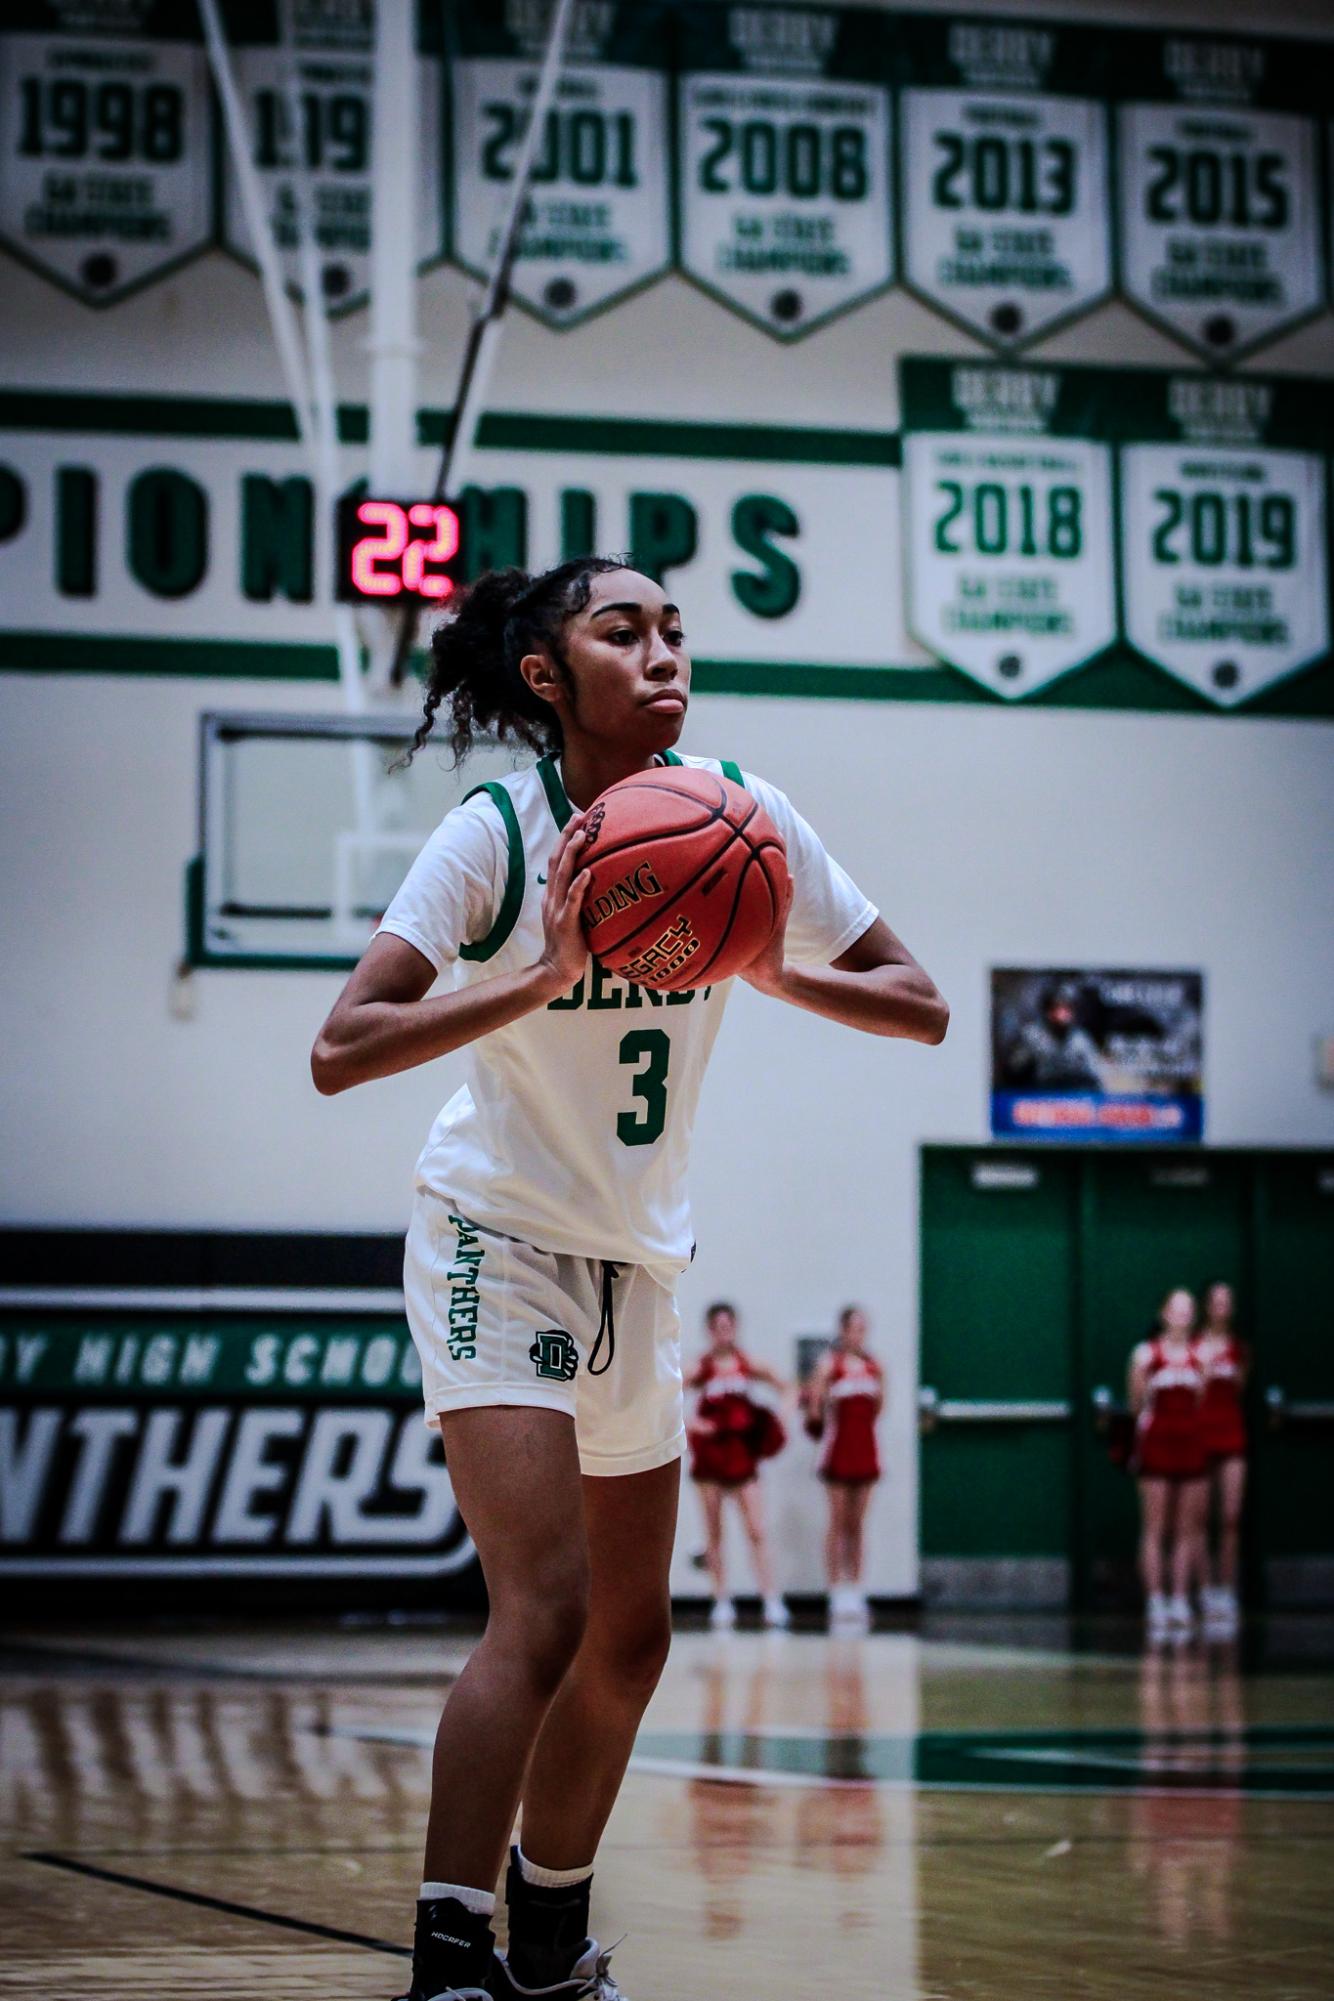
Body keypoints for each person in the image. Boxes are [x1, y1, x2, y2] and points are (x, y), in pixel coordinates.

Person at [310, 555, 948, 2001]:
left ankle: (547, 1930)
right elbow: (342, 1044)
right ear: (547, 673)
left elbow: (919, 1005)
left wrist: (779, 969)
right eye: (623, 630)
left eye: (674, 630)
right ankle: (447, 1951)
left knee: (634, 1631)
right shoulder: (494, 831)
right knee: (537, 1606)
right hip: (495, 1236)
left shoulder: (744, 817)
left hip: (640, 1258)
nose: (663, 652)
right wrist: (538, 974)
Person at [685, 1300, 790, 1629]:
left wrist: (778, 1421)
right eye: (718, 1327)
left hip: (743, 1457)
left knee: (757, 1529)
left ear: (735, 1328)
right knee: (714, 1532)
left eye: (728, 1326)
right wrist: (693, 1425)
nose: (723, 1332)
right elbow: (666, 1396)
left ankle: (770, 1598)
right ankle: (721, 1600)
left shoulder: (748, 1364)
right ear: (709, 1331)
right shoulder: (700, 1368)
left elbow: (787, 1387)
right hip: (711, 1458)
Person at [1128, 1288, 1209, 1638]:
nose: (1182, 1315)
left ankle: (1180, 1597)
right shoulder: (1146, 1354)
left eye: (1188, 1309)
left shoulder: (1201, 1354)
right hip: (1158, 1440)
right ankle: (1156, 1599)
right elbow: (1135, 1403)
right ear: (1163, 1313)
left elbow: (1202, 1398)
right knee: (1155, 1525)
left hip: (1190, 1441)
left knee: (1187, 1527)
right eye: (1176, 1309)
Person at [805, 1304, 883, 1629]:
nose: (858, 1334)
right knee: (837, 1522)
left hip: (865, 1448)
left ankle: (856, 1588)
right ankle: (835, 1589)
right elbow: (814, 1410)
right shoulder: (829, 1366)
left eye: (863, 1328)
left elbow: (879, 1407)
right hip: (838, 1449)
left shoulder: (874, 1367)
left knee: (858, 1523)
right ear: (842, 1330)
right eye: (853, 1328)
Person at [1193, 1280, 1249, 1633]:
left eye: (1228, 1301)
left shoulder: (1240, 1349)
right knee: (1198, 1519)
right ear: (1206, 1306)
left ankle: (1226, 1589)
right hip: (1199, 1435)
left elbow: (1240, 1390)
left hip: (1230, 1433)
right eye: (1217, 1301)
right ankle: (1205, 1589)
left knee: (1229, 1516)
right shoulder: (1195, 1347)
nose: (1222, 1307)